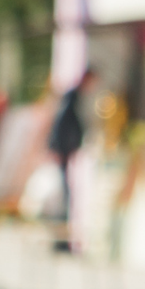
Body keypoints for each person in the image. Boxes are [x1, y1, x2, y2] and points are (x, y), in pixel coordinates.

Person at [46, 67, 97, 249]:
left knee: (65, 193)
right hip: (63, 151)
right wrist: (60, 147)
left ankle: (62, 239)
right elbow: (62, 123)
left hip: (65, 150)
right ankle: (60, 240)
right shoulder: (73, 97)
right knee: (63, 195)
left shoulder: (75, 96)